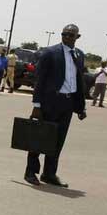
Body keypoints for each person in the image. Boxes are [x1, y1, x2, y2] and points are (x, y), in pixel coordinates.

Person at [25, 24, 87, 187]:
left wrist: (81, 107)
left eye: (70, 35)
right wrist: (36, 105)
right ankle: (30, 172)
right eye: (64, 34)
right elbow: (40, 80)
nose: (67, 37)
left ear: (77, 37)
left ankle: (49, 173)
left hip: (67, 103)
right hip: (49, 102)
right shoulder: (50, 53)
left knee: (58, 141)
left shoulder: (79, 55)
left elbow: (79, 82)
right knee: (40, 137)